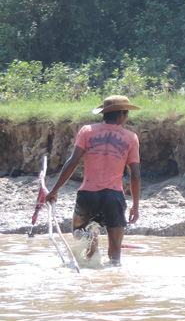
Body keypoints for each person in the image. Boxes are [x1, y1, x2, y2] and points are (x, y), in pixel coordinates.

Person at [46, 95, 142, 265]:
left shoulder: (87, 131)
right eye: (126, 115)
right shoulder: (131, 137)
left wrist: (54, 190)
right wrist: (135, 204)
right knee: (115, 254)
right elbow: (135, 174)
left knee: (81, 232)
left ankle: (90, 258)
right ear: (121, 115)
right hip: (114, 196)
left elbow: (72, 162)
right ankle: (111, 278)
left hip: (88, 194)